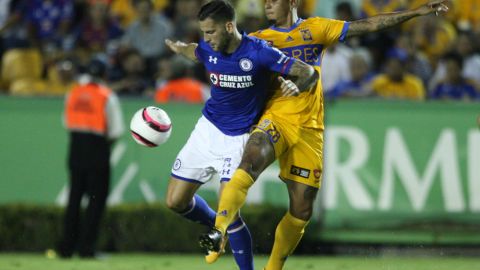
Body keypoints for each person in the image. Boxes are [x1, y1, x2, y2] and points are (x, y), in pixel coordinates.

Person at [200, 1, 449, 269]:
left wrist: (414, 12)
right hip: (276, 117)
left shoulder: (316, 28)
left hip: (310, 128)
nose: (268, 4)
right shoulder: (258, 40)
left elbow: (367, 25)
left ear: (293, 2)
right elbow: (214, 54)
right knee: (251, 160)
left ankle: (272, 268)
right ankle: (219, 230)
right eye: (265, 0)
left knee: (302, 209)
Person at [163, 1, 319, 270]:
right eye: (203, 32)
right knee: (175, 201)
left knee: (231, 210)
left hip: (239, 137)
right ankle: (217, 226)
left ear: (229, 26)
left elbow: (307, 72)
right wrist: (178, 47)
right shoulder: (208, 50)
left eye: (210, 32)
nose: (206, 39)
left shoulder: (259, 53)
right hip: (207, 129)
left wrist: (296, 85)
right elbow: (194, 52)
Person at [58, 58, 125, 258]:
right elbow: (115, 131)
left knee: (74, 199)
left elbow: (66, 122)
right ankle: (86, 249)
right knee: (96, 202)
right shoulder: (107, 95)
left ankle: (66, 248)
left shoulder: (73, 92)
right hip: (98, 150)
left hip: (75, 148)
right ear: (105, 74)